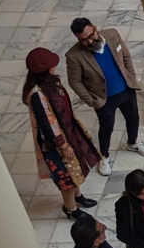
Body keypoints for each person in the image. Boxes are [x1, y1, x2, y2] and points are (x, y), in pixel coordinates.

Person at [66, 17, 144, 175]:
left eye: (91, 36)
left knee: (133, 118)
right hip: (103, 99)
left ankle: (132, 142)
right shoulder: (74, 56)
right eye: (83, 40)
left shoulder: (112, 35)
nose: (90, 41)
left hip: (126, 89)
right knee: (106, 128)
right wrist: (91, 100)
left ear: (95, 28)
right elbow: (74, 82)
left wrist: (131, 78)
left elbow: (125, 56)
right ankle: (104, 156)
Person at [23, 47, 100, 219]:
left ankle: (78, 197)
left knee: (76, 167)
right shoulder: (37, 95)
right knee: (68, 176)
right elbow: (47, 123)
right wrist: (63, 145)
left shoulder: (51, 83)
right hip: (57, 142)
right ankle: (70, 208)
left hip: (68, 132)